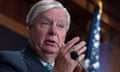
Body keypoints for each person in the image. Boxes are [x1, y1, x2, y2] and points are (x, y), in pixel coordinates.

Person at [0, 0, 87, 72]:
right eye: (45, 23)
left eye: (60, 26)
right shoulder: (8, 62)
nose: (53, 31)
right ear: (30, 27)